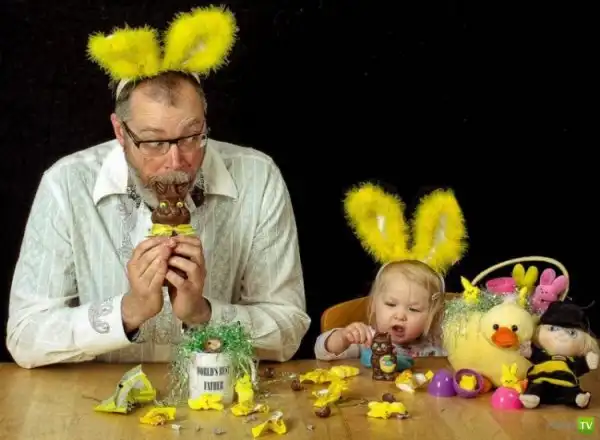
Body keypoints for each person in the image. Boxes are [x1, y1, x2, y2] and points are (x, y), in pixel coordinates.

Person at [6, 7, 310, 369]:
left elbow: (288, 329)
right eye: (153, 142)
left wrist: (203, 313)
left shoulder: (257, 177)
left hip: (220, 393)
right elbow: (25, 336)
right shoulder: (67, 184)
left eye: (192, 136)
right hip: (97, 397)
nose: (176, 162)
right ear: (120, 132)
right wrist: (128, 311)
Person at [314, 183, 468, 365]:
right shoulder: (367, 340)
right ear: (375, 304)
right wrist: (343, 337)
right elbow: (322, 351)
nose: (399, 315)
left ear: (433, 315)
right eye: (390, 304)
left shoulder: (438, 347)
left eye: (413, 309)